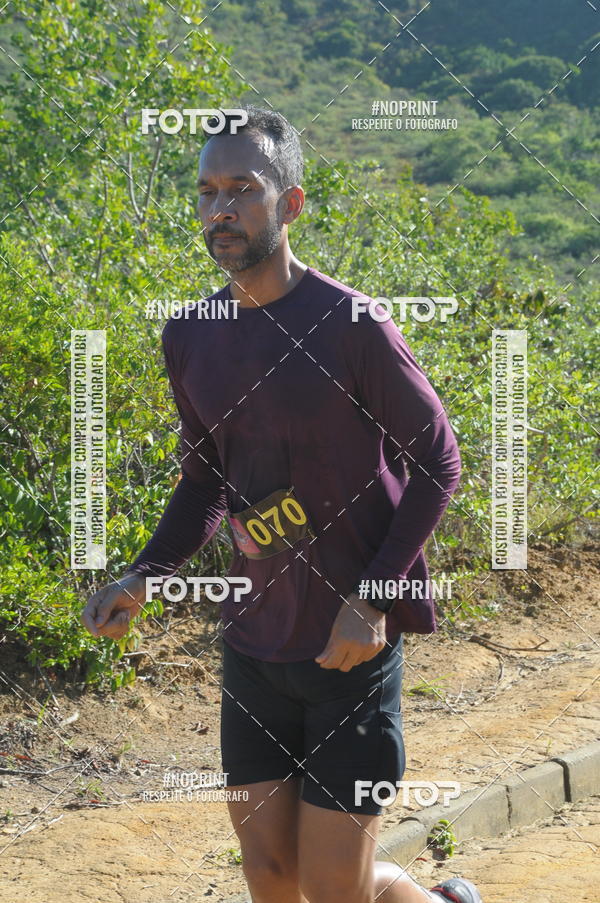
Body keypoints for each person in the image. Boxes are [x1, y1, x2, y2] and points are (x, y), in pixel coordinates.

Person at [81, 106, 482, 903]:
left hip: (348, 651)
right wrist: (143, 575)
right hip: (256, 643)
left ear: (291, 203)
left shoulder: (351, 324)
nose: (220, 209)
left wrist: (374, 599)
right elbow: (203, 480)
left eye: (242, 189)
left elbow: (438, 459)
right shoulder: (191, 334)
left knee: (335, 891)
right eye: (206, 192)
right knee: (273, 876)